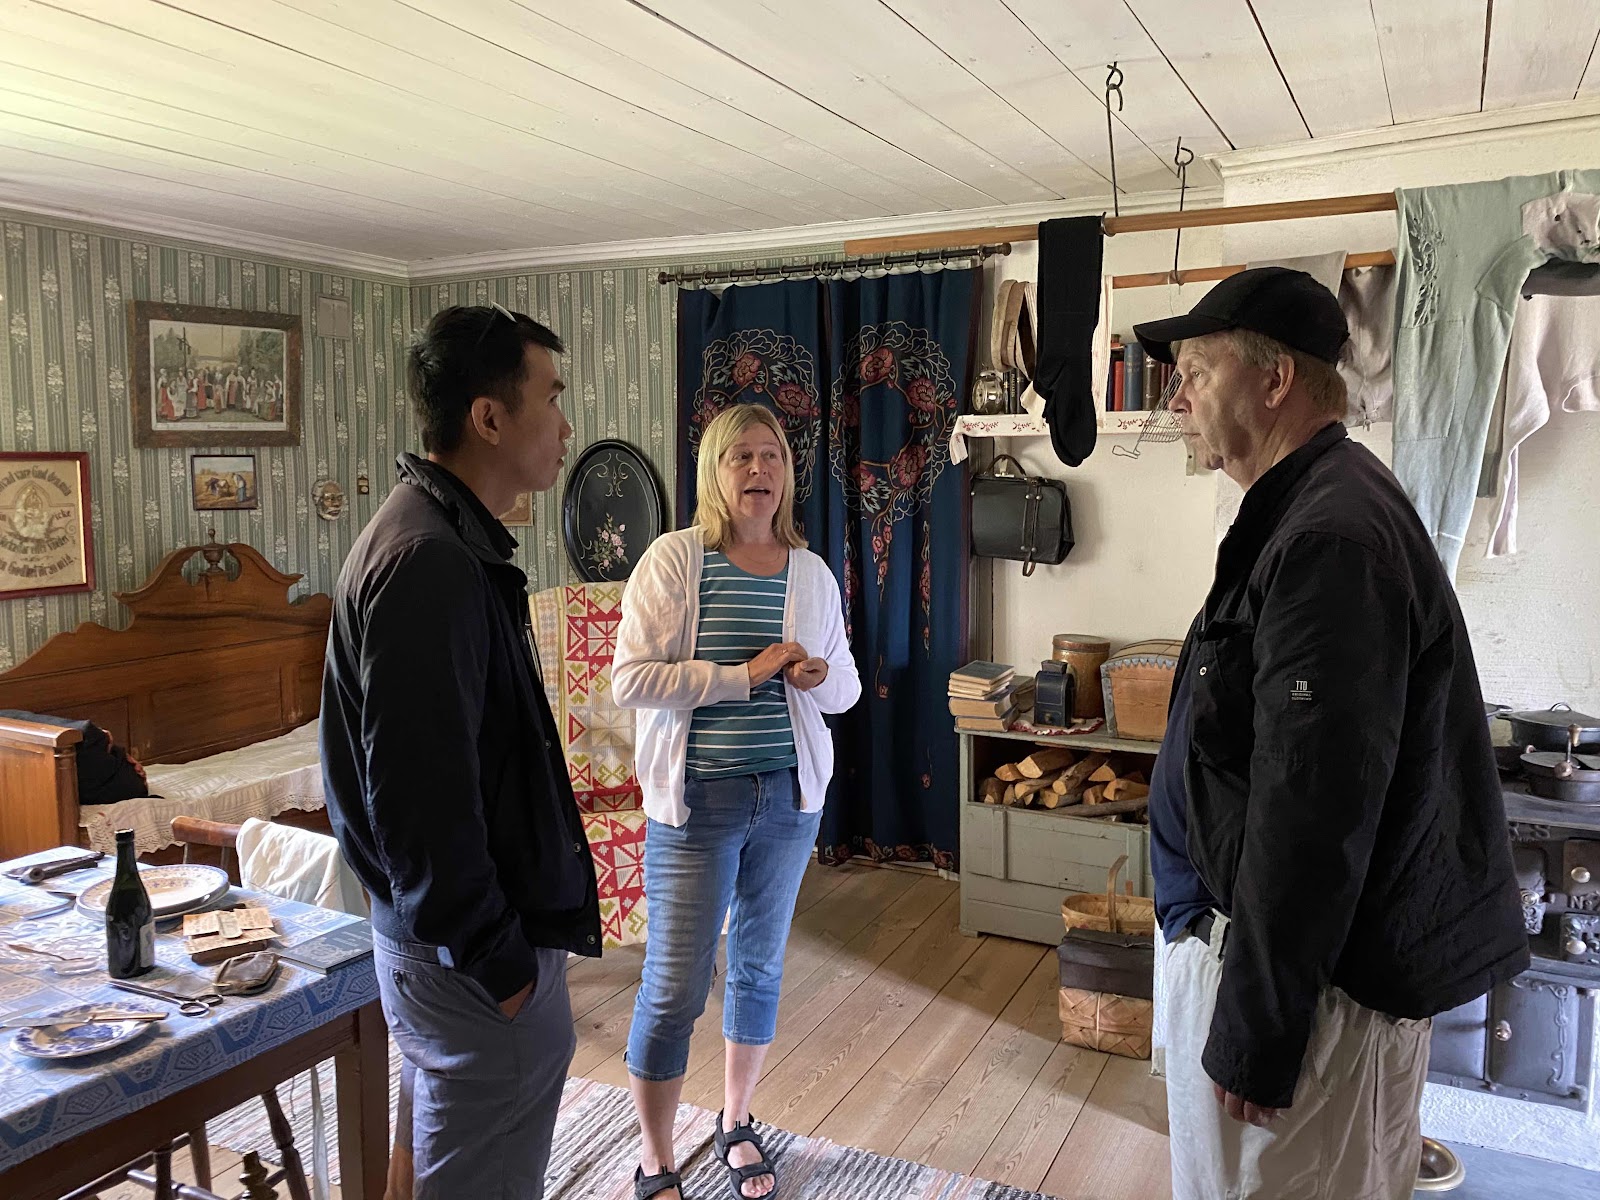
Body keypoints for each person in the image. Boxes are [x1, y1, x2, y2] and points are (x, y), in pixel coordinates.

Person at [1130, 267, 1529, 1200]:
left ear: (1276, 380)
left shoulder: (1330, 537)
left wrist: (1259, 1030)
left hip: (1314, 1003)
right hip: (1280, 967)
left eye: (1196, 371)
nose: (1177, 398)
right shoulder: (1310, 508)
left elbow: (1313, 807)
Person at [320, 303, 599, 1200]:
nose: (566, 426)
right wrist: (503, 968)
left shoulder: (436, 535)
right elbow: (421, 803)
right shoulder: (428, 560)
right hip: (469, 962)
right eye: (551, 398)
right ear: (489, 417)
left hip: (452, 951)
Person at [612, 403, 861, 1200]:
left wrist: (818, 678)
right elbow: (630, 680)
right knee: (674, 986)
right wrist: (742, 676)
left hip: (789, 801)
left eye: (772, 456)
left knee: (758, 967)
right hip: (697, 806)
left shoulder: (811, 572)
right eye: (741, 457)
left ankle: (736, 1119)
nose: (760, 470)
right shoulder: (674, 559)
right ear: (714, 472)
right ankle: (655, 1157)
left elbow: (848, 690)